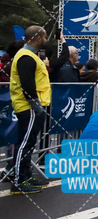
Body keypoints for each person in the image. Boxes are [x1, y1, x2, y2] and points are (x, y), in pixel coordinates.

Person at [8, 26, 52, 194]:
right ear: (39, 38)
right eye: (45, 37)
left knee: (29, 142)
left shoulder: (28, 55)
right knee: (25, 143)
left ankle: (25, 175)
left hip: (32, 106)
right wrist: (36, 106)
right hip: (29, 107)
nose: (46, 40)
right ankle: (18, 180)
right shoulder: (26, 57)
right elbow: (27, 85)